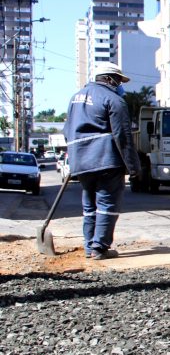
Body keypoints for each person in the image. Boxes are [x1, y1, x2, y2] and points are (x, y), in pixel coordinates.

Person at [63, 63, 141, 260]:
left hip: (81, 162)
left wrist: (76, 155)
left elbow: (67, 131)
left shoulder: (75, 98)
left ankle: (89, 247)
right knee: (107, 204)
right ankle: (100, 248)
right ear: (107, 78)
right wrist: (133, 167)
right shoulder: (113, 99)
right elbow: (123, 136)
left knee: (89, 206)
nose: (119, 85)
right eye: (118, 80)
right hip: (106, 160)